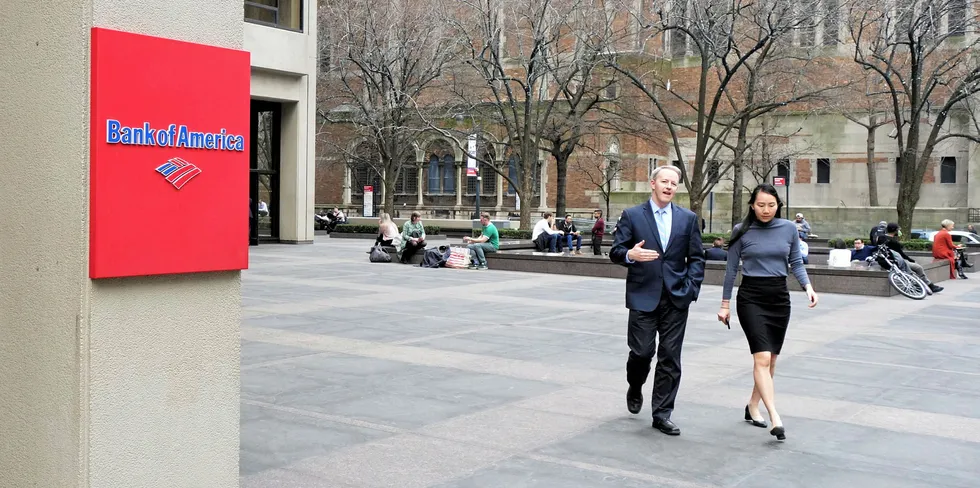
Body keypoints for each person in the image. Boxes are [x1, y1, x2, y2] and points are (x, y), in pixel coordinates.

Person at [717, 184, 818, 442]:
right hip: (751, 296)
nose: (766, 210)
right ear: (752, 205)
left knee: (770, 360)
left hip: (779, 298)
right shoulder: (742, 231)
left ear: (778, 206)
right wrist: (725, 304)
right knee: (761, 357)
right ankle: (775, 417)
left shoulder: (788, 229)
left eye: (771, 205)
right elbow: (730, 271)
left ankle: (753, 406)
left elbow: (795, 261)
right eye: (761, 205)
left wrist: (808, 287)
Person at [609, 165, 705, 436]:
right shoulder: (632, 215)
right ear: (653, 183)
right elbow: (615, 251)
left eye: (674, 183)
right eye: (664, 181)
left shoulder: (688, 219)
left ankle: (662, 414)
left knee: (670, 358)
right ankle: (635, 384)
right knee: (641, 353)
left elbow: (697, 257)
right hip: (643, 295)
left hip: (676, 298)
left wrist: (691, 288)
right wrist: (630, 255)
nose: (669, 187)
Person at [876, 223, 943, 293]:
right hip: (896, 261)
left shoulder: (881, 237)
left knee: (916, 268)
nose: (899, 232)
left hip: (888, 260)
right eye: (898, 230)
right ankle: (927, 286)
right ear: (895, 231)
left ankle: (927, 285)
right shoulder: (893, 242)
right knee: (917, 268)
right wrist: (911, 260)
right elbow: (901, 254)